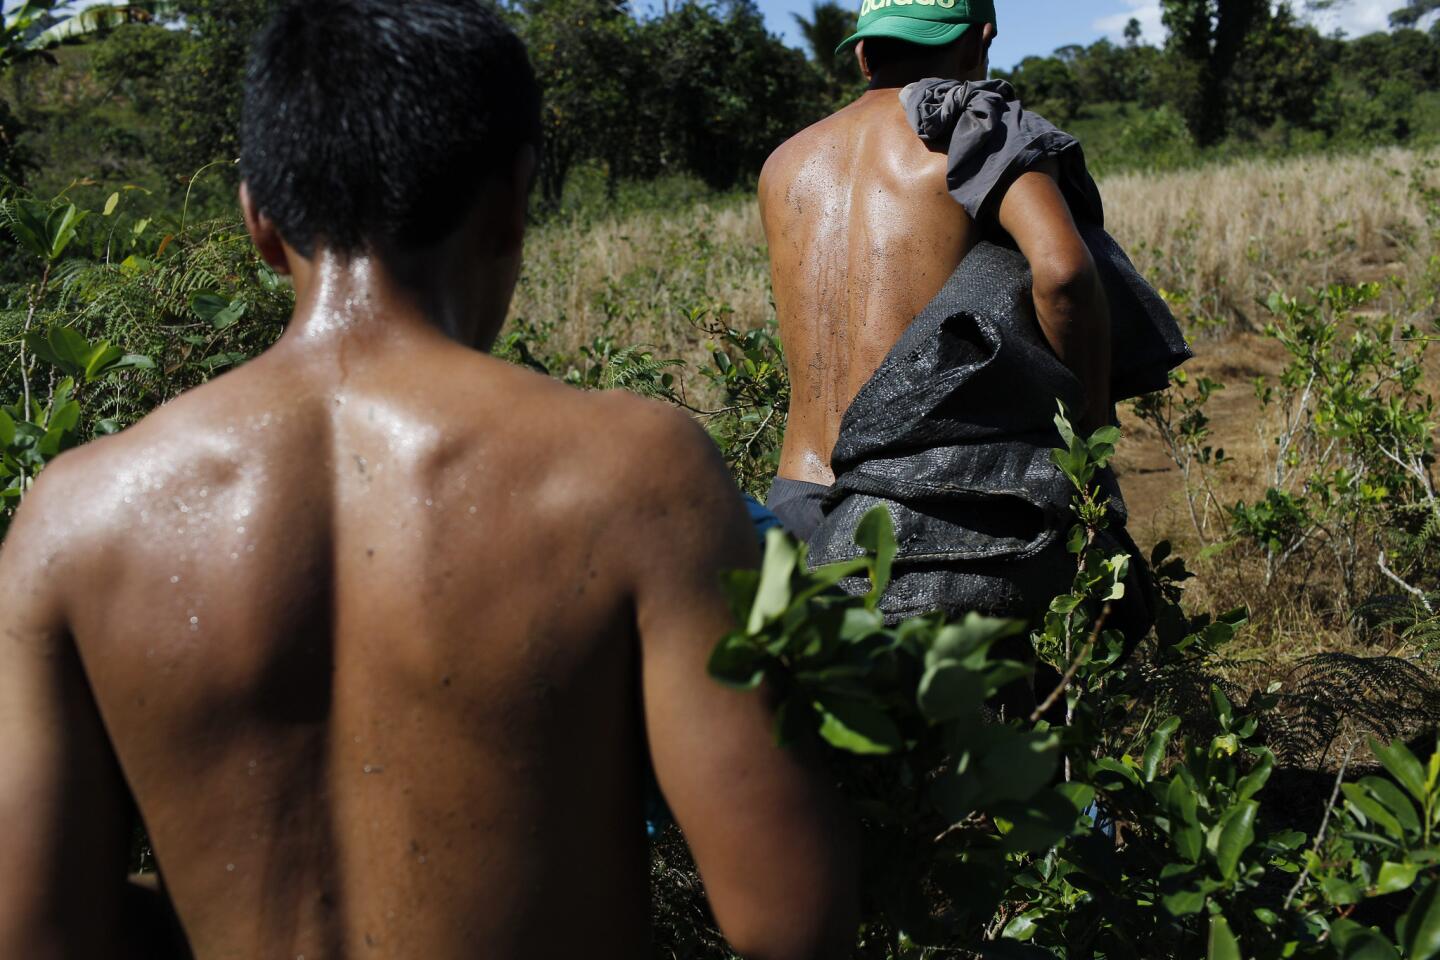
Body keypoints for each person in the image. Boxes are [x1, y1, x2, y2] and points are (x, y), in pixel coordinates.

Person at [0, 2, 857, 957]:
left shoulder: (71, 521)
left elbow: (35, 930)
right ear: (514, 199)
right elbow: (791, 921)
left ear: (257, 218)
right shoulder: (632, 478)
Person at [759, 0, 1188, 626]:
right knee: (1002, 714)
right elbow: (1066, 276)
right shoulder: (973, 130)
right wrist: (1089, 447)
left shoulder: (783, 163)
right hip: (919, 506)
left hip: (795, 499)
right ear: (977, 43)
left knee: (835, 715)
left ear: (862, 51)